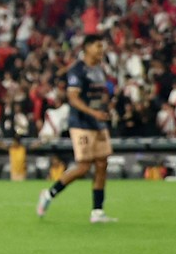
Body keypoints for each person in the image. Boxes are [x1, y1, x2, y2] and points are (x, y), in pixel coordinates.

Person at [37, 34, 118, 223]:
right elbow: (73, 98)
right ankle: (49, 194)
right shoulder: (77, 69)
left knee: (102, 164)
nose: (101, 50)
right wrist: (93, 112)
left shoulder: (99, 69)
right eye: (98, 46)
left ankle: (97, 211)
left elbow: (100, 93)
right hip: (81, 123)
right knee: (83, 167)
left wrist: (106, 107)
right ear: (87, 48)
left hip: (98, 122)